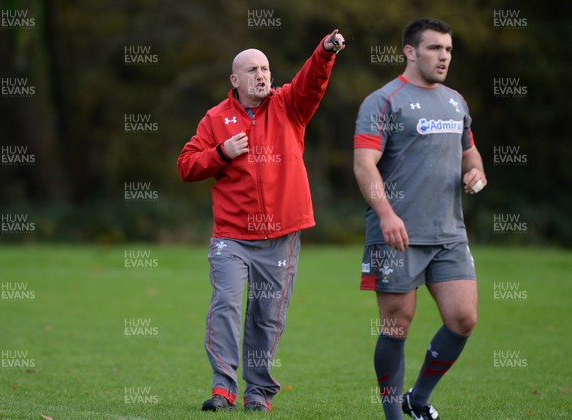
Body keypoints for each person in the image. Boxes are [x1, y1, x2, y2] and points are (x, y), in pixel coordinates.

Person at [177, 30, 347, 412]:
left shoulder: (289, 105)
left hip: (281, 235)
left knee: (266, 317)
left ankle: (257, 393)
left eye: (266, 68)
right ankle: (223, 389)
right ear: (234, 80)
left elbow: (311, 80)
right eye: (252, 69)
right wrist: (221, 152)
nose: (261, 75)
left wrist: (325, 52)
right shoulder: (215, 119)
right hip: (232, 236)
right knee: (226, 305)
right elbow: (185, 165)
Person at [353, 18, 487, 420]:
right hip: (396, 234)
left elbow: (469, 151)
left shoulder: (455, 101)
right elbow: (364, 165)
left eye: (448, 49)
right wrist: (386, 213)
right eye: (434, 48)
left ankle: (418, 397)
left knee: (463, 318)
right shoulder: (383, 101)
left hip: (449, 233)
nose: (444, 56)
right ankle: (393, 415)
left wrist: (475, 170)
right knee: (397, 324)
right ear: (410, 51)